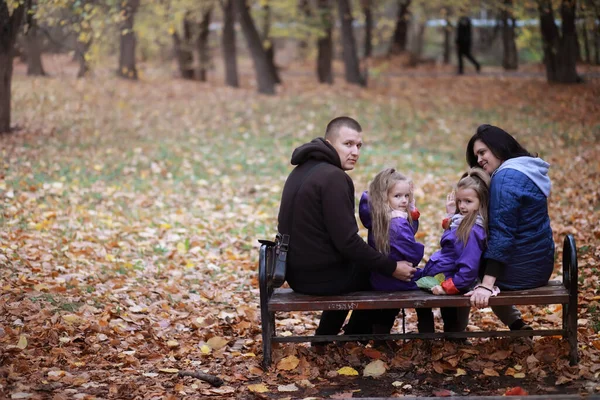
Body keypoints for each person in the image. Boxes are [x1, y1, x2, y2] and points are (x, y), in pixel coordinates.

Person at [277, 116, 417, 338]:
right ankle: (357, 338)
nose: (355, 152)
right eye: (348, 144)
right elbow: (348, 242)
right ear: (330, 143)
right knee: (385, 278)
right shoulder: (334, 178)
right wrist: (391, 267)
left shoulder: (302, 170)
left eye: (359, 145)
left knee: (365, 267)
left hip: (297, 272)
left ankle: (325, 338)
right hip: (320, 277)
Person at [465, 124, 554, 331]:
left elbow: (502, 234)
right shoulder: (526, 169)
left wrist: (486, 285)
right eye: (476, 155)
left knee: (462, 274)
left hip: (520, 270)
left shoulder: (505, 177)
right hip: (538, 264)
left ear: (499, 146)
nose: (479, 160)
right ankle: (516, 324)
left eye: (482, 152)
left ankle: (454, 334)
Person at [416, 167, 490, 333]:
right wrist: (450, 215)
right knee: (417, 295)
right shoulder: (461, 221)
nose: (462, 206)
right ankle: (430, 335)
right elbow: (453, 243)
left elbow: (468, 269)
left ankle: (444, 338)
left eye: (468, 201)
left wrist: (447, 287)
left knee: (446, 312)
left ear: (481, 201)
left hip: (451, 281)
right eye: (459, 201)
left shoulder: (473, 230)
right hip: (441, 275)